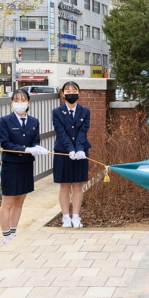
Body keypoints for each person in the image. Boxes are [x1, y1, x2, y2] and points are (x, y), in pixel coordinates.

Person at [0, 89, 49, 245]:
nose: (20, 103)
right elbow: (5, 143)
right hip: (11, 165)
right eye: (16, 100)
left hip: (26, 165)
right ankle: (6, 235)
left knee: (20, 200)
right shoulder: (5, 120)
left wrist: (37, 148)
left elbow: (35, 140)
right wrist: (26, 149)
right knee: (7, 202)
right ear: (12, 102)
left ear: (28, 103)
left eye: (23, 100)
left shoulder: (34, 121)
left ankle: (13, 232)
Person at [52, 81, 90, 228]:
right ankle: (65, 217)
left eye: (74, 90)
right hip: (62, 152)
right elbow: (60, 132)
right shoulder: (56, 112)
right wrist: (70, 149)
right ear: (63, 94)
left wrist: (79, 149)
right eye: (67, 90)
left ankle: (76, 216)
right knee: (64, 185)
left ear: (79, 93)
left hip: (80, 152)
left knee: (78, 185)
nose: (71, 92)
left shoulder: (85, 111)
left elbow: (83, 132)